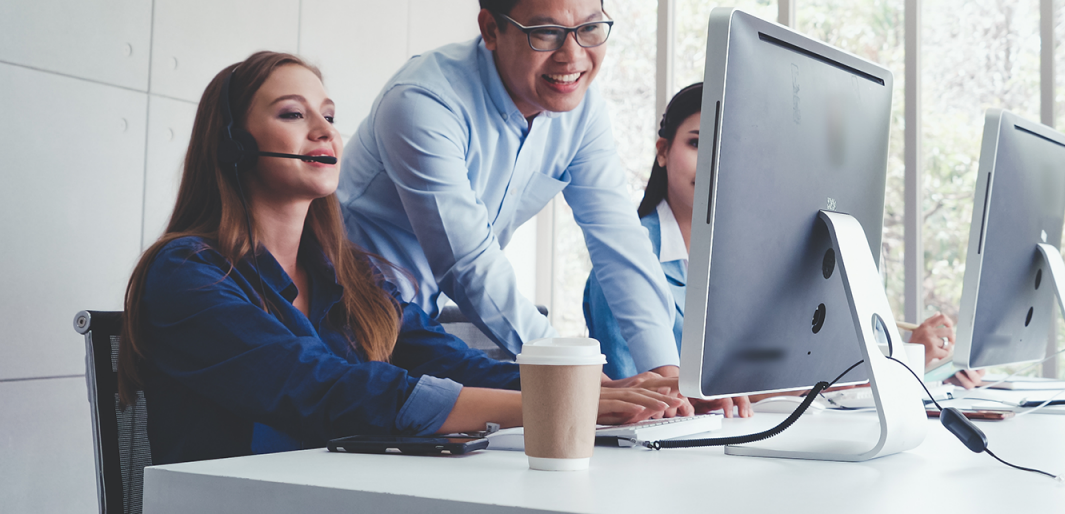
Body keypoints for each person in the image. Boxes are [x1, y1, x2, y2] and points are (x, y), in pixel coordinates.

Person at [117, 52, 682, 465]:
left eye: (329, 115)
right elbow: (328, 388)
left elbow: (448, 360)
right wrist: (548, 402)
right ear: (234, 146)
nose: (324, 132)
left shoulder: (347, 273)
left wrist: (585, 385)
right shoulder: (187, 274)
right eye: (293, 115)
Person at [337, 0, 679, 381]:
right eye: (547, 33)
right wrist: (571, 369)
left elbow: (617, 238)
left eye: (591, 28)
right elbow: (468, 263)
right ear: (491, 29)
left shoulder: (580, 108)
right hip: (338, 314)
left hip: (419, 323)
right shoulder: (422, 102)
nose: (572, 56)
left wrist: (667, 371)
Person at [584, 82, 984, 394]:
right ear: (663, 151)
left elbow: (798, 371)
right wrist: (902, 362)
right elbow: (641, 394)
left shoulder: (759, 261)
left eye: (729, 149)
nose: (713, 164)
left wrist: (925, 365)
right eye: (696, 143)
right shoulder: (622, 266)